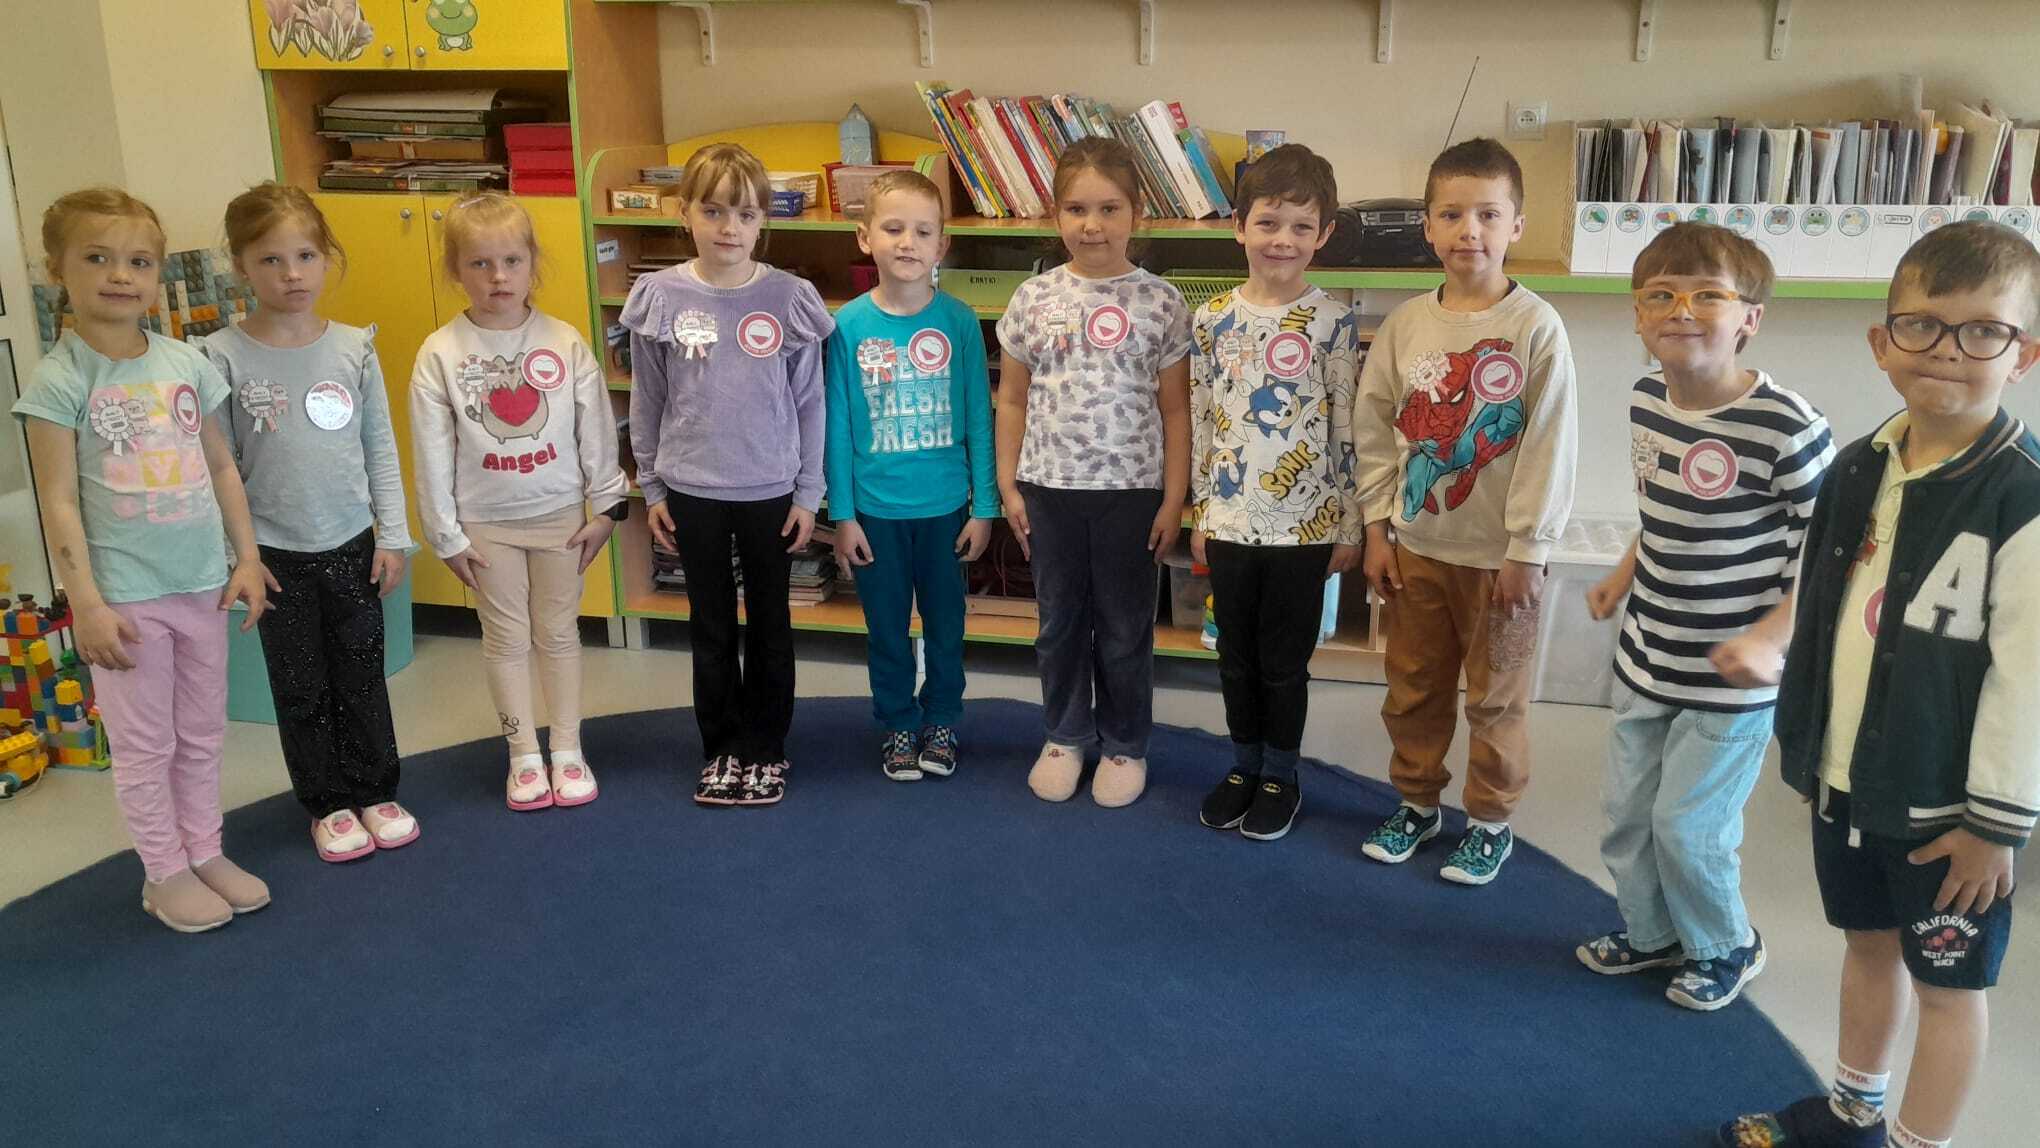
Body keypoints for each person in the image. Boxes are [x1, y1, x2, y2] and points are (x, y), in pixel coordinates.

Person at [1718, 221, 2040, 1148]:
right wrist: (1807, 738)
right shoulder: (1858, 465)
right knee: (1867, 945)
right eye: (1922, 324)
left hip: (1950, 813)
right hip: (1852, 780)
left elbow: (2027, 681)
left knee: (1949, 989)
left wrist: (1994, 825)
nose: (1948, 349)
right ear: (1882, 342)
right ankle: (1854, 1109)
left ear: (2022, 356)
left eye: (1984, 331)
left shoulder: (2022, 497)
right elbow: (1822, 602)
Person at [1575, 223, 1832, 1010]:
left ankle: (1726, 945)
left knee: (1688, 825)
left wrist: (1769, 639)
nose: (1681, 310)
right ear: (1638, 314)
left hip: (1732, 680)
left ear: (1749, 317)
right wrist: (1622, 575)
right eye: (1661, 294)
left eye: (1707, 295)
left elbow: (1832, 553)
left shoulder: (1788, 427)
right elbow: (1661, 510)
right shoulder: (1647, 398)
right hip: (1649, 653)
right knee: (1627, 816)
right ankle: (1652, 935)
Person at [13, 187, 274, 932]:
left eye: (139, 262)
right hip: (125, 598)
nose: (120, 275)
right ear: (58, 270)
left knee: (202, 733)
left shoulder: (185, 363)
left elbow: (220, 466)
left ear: (157, 274)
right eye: (97, 258)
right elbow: (59, 501)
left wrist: (246, 558)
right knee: (144, 744)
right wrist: (86, 604)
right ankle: (163, 871)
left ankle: (205, 849)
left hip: (202, 585)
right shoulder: (62, 380)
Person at [1351, 138, 1578, 885]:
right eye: (1450, 214)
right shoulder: (1407, 325)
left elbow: (1549, 445)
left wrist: (1527, 551)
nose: (1468, 231)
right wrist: (1377, 527)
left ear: (1517, 226)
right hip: (1418, 549)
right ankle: (1416, 803)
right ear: (1427, 225)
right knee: (1413, 687)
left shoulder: (1536, 327)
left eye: (1488, 214)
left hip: (1501, 567)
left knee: (1496, 699)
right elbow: (1375, 428)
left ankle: (1489, 822)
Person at [203, 181, 418, 861]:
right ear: (241, 266)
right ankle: (326, 803)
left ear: (327, 258)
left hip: (352, 543)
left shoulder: (354, 347)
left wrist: (393, 535)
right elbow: (219, 466)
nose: (291, 274)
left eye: (305, 256)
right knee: (300, 687)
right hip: (274, 554)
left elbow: (380, 446)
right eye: (270, 260)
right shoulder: (221, 356)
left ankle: (376, 789)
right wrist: (239, 556)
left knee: (362, 675)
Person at [621, 144, 832, 807]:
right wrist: (652, 484)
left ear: (763, 219)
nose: (728, 228)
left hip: (770, 488)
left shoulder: (788, 297)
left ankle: (766, 749)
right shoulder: (660, 296)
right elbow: (647, 399)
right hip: (692, 488)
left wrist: (809, 493)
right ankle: (721, 749)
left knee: (771, 624)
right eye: (712, 211)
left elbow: (811, 402)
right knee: (710, 627)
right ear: (683, 212)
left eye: (744, 214)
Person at [411, 193, 627, 812]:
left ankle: (567, 749)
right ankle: (523, 756)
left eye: (511, 260)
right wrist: (445, 534)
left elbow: (595, 429)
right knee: (505, 639)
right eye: (480, 263)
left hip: (559, 517)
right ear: (456, 270)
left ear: (533, 262)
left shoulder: (563, 341)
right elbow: (430, 451)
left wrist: (606, 508)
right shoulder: (441, 353)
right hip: (486, 526)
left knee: (558, 634)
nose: (498, 277)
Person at [994, 136, 1192, 809]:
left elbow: (1175, 410)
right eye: (1077, 209)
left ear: (1137, 214)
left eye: (1110, 208)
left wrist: (1172, 500)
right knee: (1059, 623)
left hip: (1131, 495)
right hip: (1048, 490)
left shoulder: (1162, 303)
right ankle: (1064, 736)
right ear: (1055, 215)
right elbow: (1013, 399)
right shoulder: (1032, 298)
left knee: (1125, 627)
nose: (1092, 225)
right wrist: (1008, 483)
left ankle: (1125, 744)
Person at [1187, 144, 1363, 842]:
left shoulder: (1334, 321)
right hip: (1230, 522)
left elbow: (1347, 427)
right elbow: (1203, 420)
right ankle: (1243, 765)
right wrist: (1200, 512)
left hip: (1306, 526)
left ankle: (1280, 775)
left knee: (1284, 664)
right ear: (1239, 227)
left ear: (1324, 234)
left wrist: (1350, 523)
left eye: (1300, 226)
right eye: (1267, 222)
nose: (1282, 239)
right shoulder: (1211, 318)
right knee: (1234, 656)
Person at [824, 170, 996, 781]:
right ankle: (898, 723)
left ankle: (942, 718)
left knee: (947, 627)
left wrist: (985, 508)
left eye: (923, 231)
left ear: (941, 244)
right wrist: (842, 516)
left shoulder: (959, 321)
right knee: (887, 632)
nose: (907, 242)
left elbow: (979, 419)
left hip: (947, 508)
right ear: (864, 237)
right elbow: (837, 427)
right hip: (875, 512)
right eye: (893, 228)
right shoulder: (846, 326)